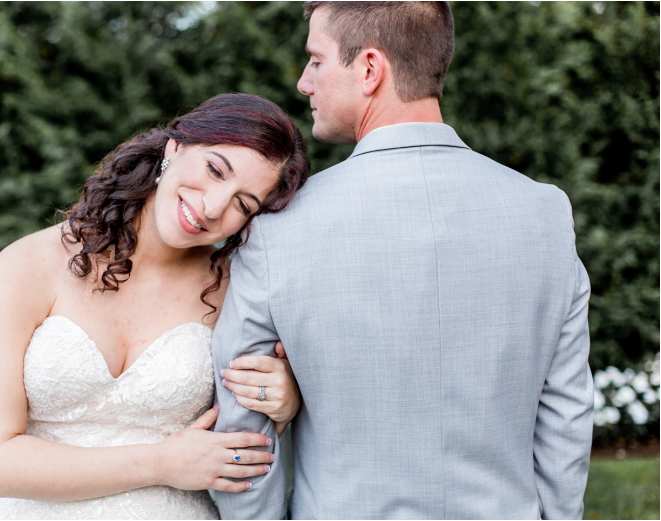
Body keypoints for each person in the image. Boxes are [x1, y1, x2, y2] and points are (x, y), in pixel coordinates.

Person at [213, 2, 593, 519]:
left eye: (316, 61)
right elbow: (566, 412)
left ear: (370, 69)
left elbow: (241, 423)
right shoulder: (545, 213)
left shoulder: (280, 227)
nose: (304, 82)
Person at [0, 93, 310, 519]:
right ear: (174, 148)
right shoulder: (28, 266)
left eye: (242, 204)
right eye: (215, 169)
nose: (213, 207)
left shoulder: (237, 294)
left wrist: (285, 403)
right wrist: (161, 462)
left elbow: (241, 447)